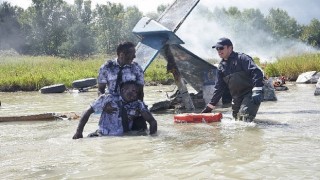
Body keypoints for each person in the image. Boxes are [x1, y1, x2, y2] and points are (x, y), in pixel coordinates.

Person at [201, 37, 264, 122]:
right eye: (217, 49)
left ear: (230, 48)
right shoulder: (221, 67)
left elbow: (256, 72)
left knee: (244, 117)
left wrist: (257, 89)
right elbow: (219, 88)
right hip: (237, 97)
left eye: (221, 48)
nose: (219, 51)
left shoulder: (242, 58)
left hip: (250, 94)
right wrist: (210, 106)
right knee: (236, 120)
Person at [72, 81, 157, 139]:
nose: (135, 94)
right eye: (133, 91)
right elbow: (87, 112)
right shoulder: (108, 99)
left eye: (136, 92)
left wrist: (152, 139)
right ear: (123, 90)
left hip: (125, 137)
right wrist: (79, 132)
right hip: (102, 135)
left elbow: (152, 122)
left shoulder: (138, 104)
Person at [97, 41, 146, 130]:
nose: (135, 57)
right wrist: (104, 104)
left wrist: (139, 109)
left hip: (132, 105)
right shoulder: (107, 67)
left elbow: (140, 92)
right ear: (122, 54)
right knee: (108, 134)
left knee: (141, 132)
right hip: (113, 106)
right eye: (132, 54)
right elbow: (100, 90)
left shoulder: (136, 68)